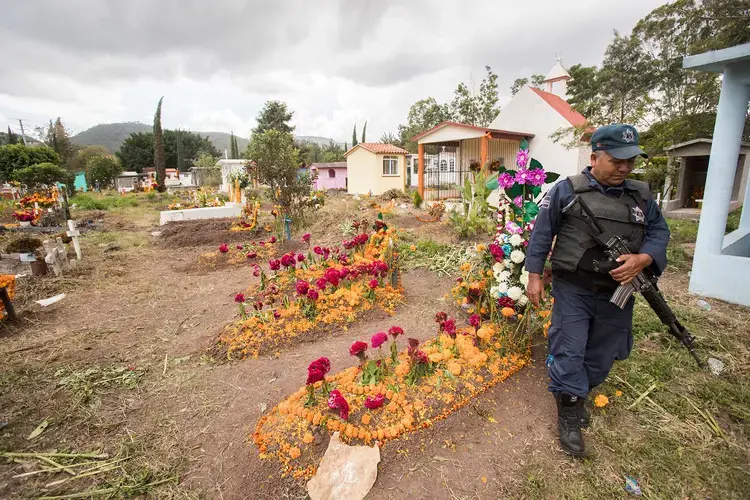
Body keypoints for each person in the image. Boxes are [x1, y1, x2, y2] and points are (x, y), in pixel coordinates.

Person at [524, 124, 670, 456]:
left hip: (617, 292)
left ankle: (577, 392)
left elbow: (660, 233)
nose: (624, 168)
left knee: (604, 354)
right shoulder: (566, 190)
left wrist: (643, 258)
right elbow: (542, 235)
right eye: (617, 160)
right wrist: (534, 275)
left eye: (630, 161)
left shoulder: (641, 196)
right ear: (594, 157)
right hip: (574, 288)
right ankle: (570, 410)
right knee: (569, 349)